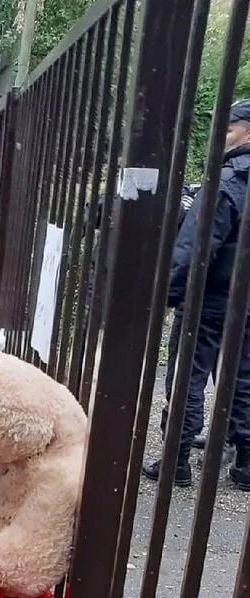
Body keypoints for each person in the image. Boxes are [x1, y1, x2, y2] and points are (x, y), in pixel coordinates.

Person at [145, 99, 250, 490]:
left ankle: (178, 458)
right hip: (245, 302)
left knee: (189, 373)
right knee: (244, 375)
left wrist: (168, 294)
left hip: (210, 297)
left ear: (248, 132)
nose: (219, 136)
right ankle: (245, 463)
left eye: (228, 128)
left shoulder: (225, 184)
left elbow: (194, 248)